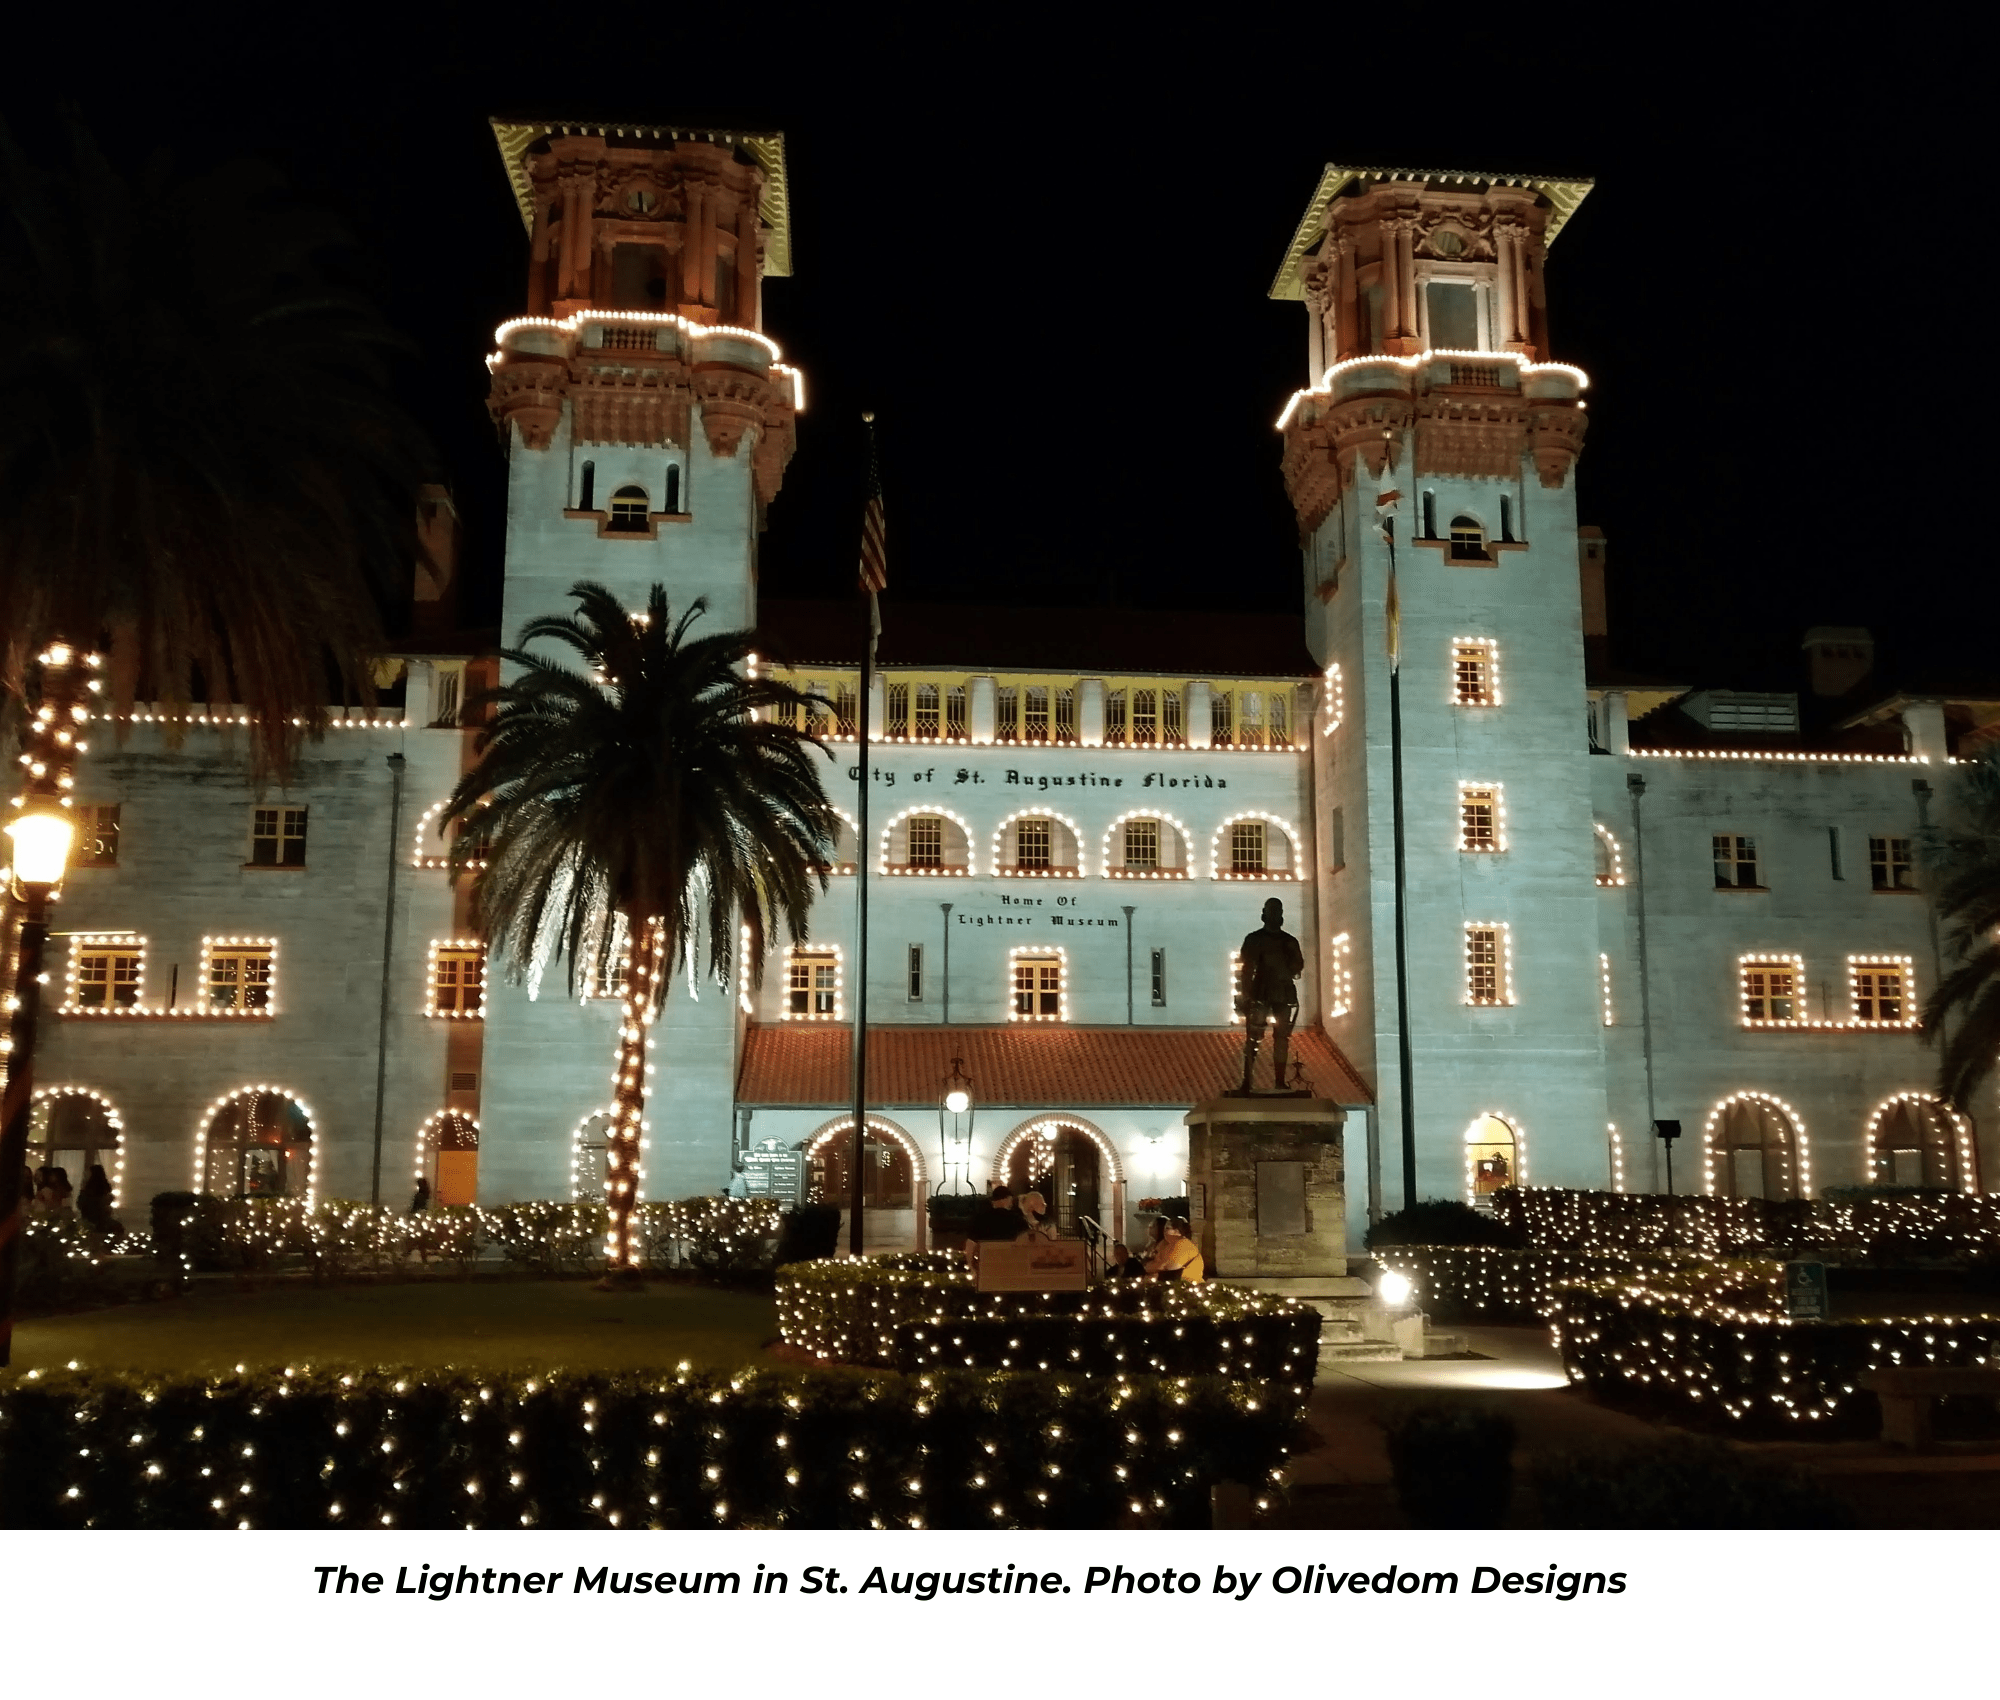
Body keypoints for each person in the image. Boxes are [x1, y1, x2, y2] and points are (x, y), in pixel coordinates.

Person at [1236, 897, 1306, 1093]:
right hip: (1261, 990)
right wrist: (1247, 994)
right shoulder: (1254, 939)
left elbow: (1297, 965)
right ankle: (1247, 1080)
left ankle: (1279, 1081)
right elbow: (1247, 970)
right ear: (1264, 914)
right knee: (1254, 1036)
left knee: (1282, 1037)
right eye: (1271, 911)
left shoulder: (1289, 941)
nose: (1275, 915)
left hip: (1283, 991)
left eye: (1278, 911)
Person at [963, 1184, 1024, 1255]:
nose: (1011, 1203)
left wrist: (971, 1264)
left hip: (986, 1258)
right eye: (1010, 1200)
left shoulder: (980, 1218)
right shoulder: (1016, 1219)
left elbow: (970, 1243)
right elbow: (1025, 1240)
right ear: (1005, 1199)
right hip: (1009, 1259)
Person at [1145, 1217, 1204, 1283]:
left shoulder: (1183, 1245)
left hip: (1186, 1284)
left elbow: (1170, 1267)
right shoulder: (1163, 1243)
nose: (1164, 1231)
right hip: (1165, 1282)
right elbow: (1150, 1263)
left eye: (1167, 1228)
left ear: (1178, 1231)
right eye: (1164, 1228)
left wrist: (1156, 1267)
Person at [76, 1163, 115, 1232]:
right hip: (102, 1220)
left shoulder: (89, 1191)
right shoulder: (105, 1189)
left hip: (90, 1220)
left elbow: (81, 1204)